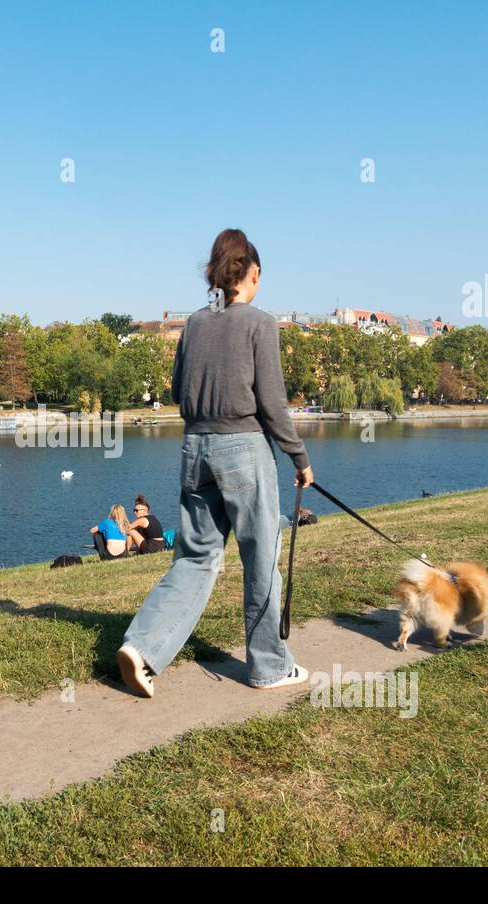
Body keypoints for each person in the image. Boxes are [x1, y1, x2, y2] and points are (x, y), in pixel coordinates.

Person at [116, 229, 314, 699]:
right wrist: (300, 458)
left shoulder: (195, 325)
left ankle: (141, 648)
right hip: (242, 447)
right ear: (252, 272)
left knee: (196, 559)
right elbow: (273, 403)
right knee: (261, 559)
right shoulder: (260, 324)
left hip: (195, 448)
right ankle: (268, 667)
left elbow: (176, 391)